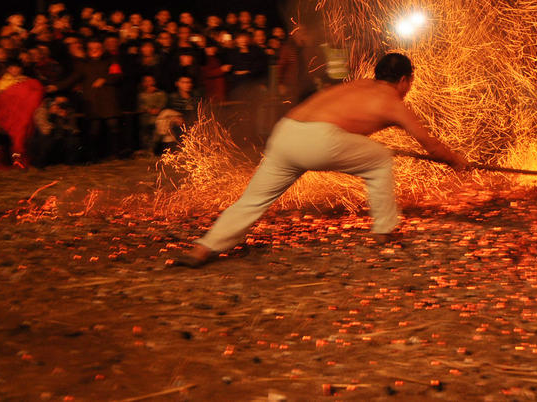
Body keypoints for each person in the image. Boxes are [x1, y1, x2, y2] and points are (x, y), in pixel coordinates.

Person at [176, 52, 468, 267]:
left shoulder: (358, 85)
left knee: (253, 200)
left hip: (285, 133)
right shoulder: (392, 101)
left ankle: (204, 248)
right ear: (404, 80)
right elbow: (430, 145)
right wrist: (455, 160)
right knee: (379, 159)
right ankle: (385, 232)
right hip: (318, 140)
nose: (409, 88)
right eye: (410, 82)